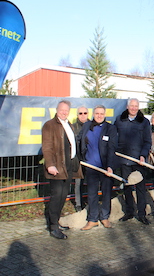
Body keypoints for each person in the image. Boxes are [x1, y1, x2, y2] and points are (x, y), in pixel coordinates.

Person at [42, 100, 80, 239]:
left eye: (66, 110)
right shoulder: (49, 125)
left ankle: (56, 222)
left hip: (68, 167)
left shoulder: (68, 124)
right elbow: (47, 147)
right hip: (57, 167)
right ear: (57, 110)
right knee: (56, 197)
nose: (64, 112)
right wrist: (50, 165)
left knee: (63, 196)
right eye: (62, 110)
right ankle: (53, 227)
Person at [78, 105, 118, 230]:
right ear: (93, 114)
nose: (99, 115)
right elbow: (79, 141)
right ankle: (92, 219)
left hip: (105, 168)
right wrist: (81, 159)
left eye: (101, 113)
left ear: (105, 115)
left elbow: (112, 148)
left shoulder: (110, 128)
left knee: (106, 193)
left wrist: (110, 166)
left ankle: (105, 217)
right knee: (92, 194)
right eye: (97, 113)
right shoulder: (87, 126)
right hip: (91, 166)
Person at [115, 98, 152, 225]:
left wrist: (143, 155)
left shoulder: (144, 122)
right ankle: (129, 212)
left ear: (139, 107)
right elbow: (115, 137)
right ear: (127, 106)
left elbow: (148, 141)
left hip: (138, 161)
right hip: (124, 159)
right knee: (127, 187)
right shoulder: (120, 120)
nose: (134, 108)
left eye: (136, 106)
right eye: (132, 106)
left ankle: (141, 213)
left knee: (141, 188)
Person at [72, 106, 90, 212]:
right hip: (78, 159)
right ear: (77, 115)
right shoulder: (73, 127)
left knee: (92, 182)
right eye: (80, 113)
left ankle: (91, 201)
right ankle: (79, 204)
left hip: (91, 159)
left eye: (85, 113)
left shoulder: (93, 126)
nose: (83, 115)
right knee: (78, 182)